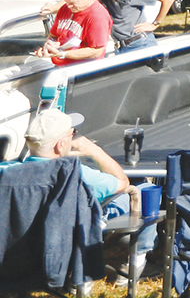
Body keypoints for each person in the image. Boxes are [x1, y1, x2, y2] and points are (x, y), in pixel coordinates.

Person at [15, 108, 153, 284]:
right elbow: (123, 182)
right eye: (73, 134)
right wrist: (94, 151)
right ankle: (135, 262)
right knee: (143, 189)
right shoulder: (76, 173)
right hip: (72, 237)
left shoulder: (11, 173)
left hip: (26, 244)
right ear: (60, 145)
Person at [35, 0, 111, 65]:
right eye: (67, 2)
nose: (69, 6)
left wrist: (62, 54)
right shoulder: (65, 8)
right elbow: (53, 35)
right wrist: (51, 43)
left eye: (73, 3)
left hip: (82, 68)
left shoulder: (98, 16)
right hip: (60, 65)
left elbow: (97, 52)